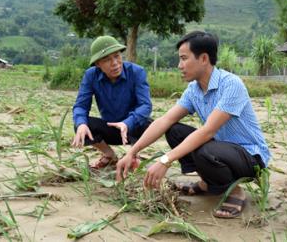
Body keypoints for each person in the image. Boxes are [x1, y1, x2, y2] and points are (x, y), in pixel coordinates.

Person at [116, 31, 271, 218]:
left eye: (184, 59)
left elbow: (208, 131)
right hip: (221, 149)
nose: (179, 65)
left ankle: (235, 191)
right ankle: (207, 182)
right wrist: (132, 152)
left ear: (204, 58)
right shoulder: (194, 89)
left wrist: (165, 160)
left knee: (206, 150)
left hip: (250, 157)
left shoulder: (231, 85)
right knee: (175, 131)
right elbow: (165, 120)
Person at [72, 35, 152, 169]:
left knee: (149, 124)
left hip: (133, 127)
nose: (115, 63)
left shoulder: (137, 72)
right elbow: (80, 106)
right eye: (107, 60)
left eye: (117, 56)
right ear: (98, 64)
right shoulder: (91, 75)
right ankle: (109, 155)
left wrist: (127, 123)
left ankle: (134, 154)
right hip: (110, 128)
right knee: (82, 124)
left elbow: (145, 105)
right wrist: (81, 124)